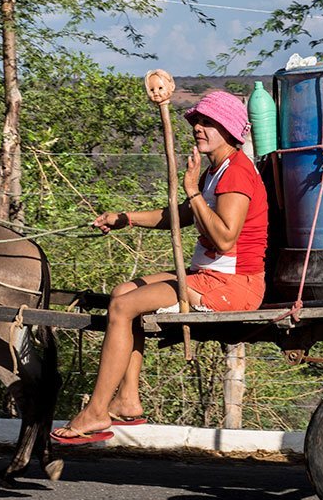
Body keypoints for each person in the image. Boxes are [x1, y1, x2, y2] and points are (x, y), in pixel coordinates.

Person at [52, 90, 269, 444]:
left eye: (207, 122)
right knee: (124, 292)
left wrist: (191, 190)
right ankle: (127, 400)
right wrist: (126, 219)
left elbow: (226, 238)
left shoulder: (237, 174)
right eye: (197, 121)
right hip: (207, 277)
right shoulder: (217, 169)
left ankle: (95, 412)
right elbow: (184, 214)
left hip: (235, 286)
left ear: (228, 129)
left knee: (123, 306)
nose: (198, 127)